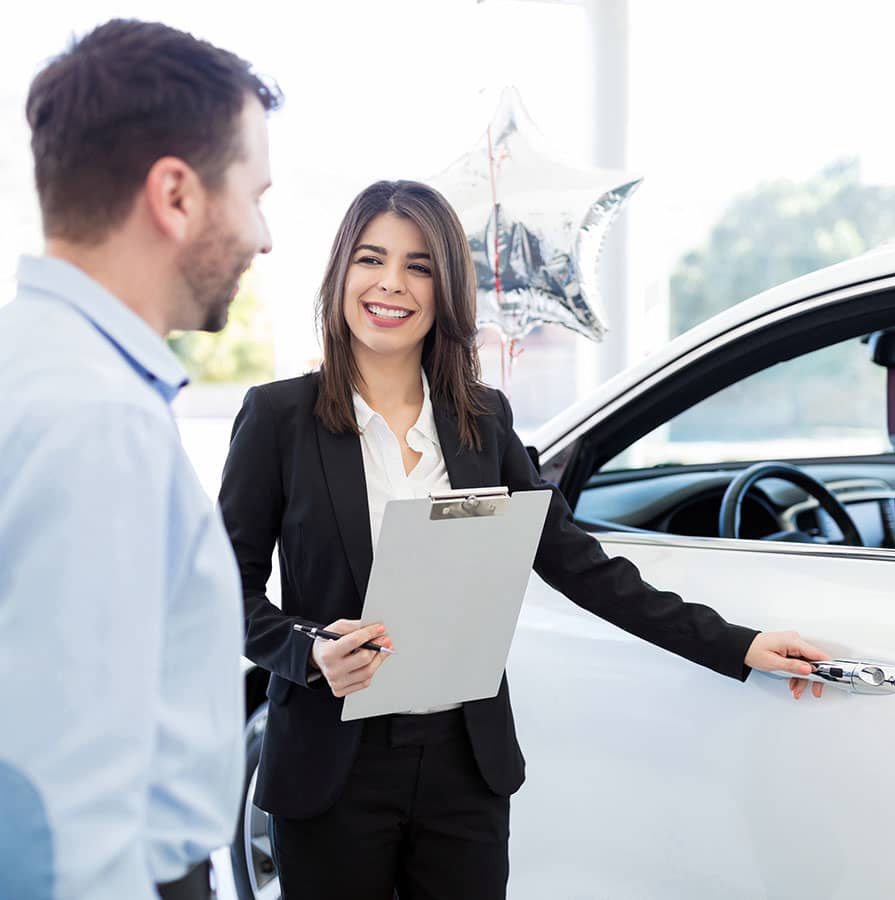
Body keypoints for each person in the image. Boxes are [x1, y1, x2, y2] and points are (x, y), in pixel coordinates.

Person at [218, 179, 826, 900]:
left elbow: (577, 563)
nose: (391, 284)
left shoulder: (482, 420)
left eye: (418, 266)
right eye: (371, 259)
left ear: (446, 287)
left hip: (462, 769)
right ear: (340, 272)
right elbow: (225, 593)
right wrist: (310, 650)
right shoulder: (278, 418)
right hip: (333, 766)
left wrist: (735, 643)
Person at [0, 19, 280, 900]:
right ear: (176, 195)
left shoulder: (34, 368)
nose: (264, 235)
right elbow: (60, 815)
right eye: (255, 192)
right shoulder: (96, 420)